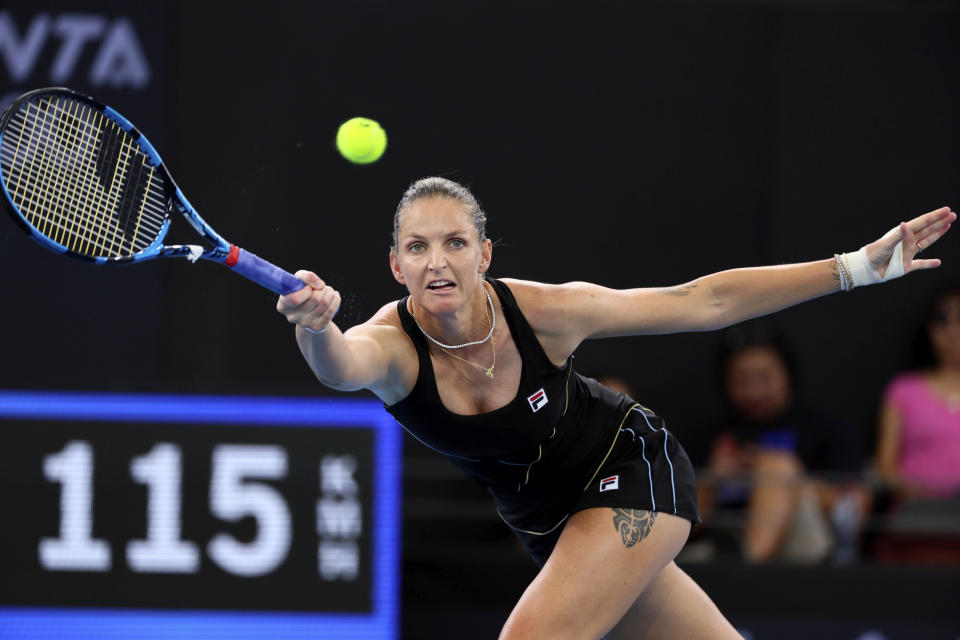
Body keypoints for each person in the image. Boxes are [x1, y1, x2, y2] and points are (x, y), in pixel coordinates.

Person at [276, 176, 953, 639]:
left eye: (454, 242)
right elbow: (342, 368)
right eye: (418, 247)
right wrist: (314, 325)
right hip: (551, 526)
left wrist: (857, 267)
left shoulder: (544, 312)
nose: (437, 262)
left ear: (483, 254)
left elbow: (702, 302)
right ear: (396, 266)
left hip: (631, 468)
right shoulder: (392, 346)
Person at [693, 320, 868, 564]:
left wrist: (786, 478)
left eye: (764, 377)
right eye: (742, 379)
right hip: (720, 540)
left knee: (776, 468)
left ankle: (747, 570)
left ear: (787, 373)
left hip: (805, 547)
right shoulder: (712, 434)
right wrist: (714, 479)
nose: (755, 390)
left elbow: (854, 508)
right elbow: (682, 526)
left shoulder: (823, 428)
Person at [873, 283, 960, 561]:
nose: (952, 332)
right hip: (916, 518)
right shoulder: (903, 390)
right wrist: (926, 494)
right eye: (943, 321)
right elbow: (885, 467)